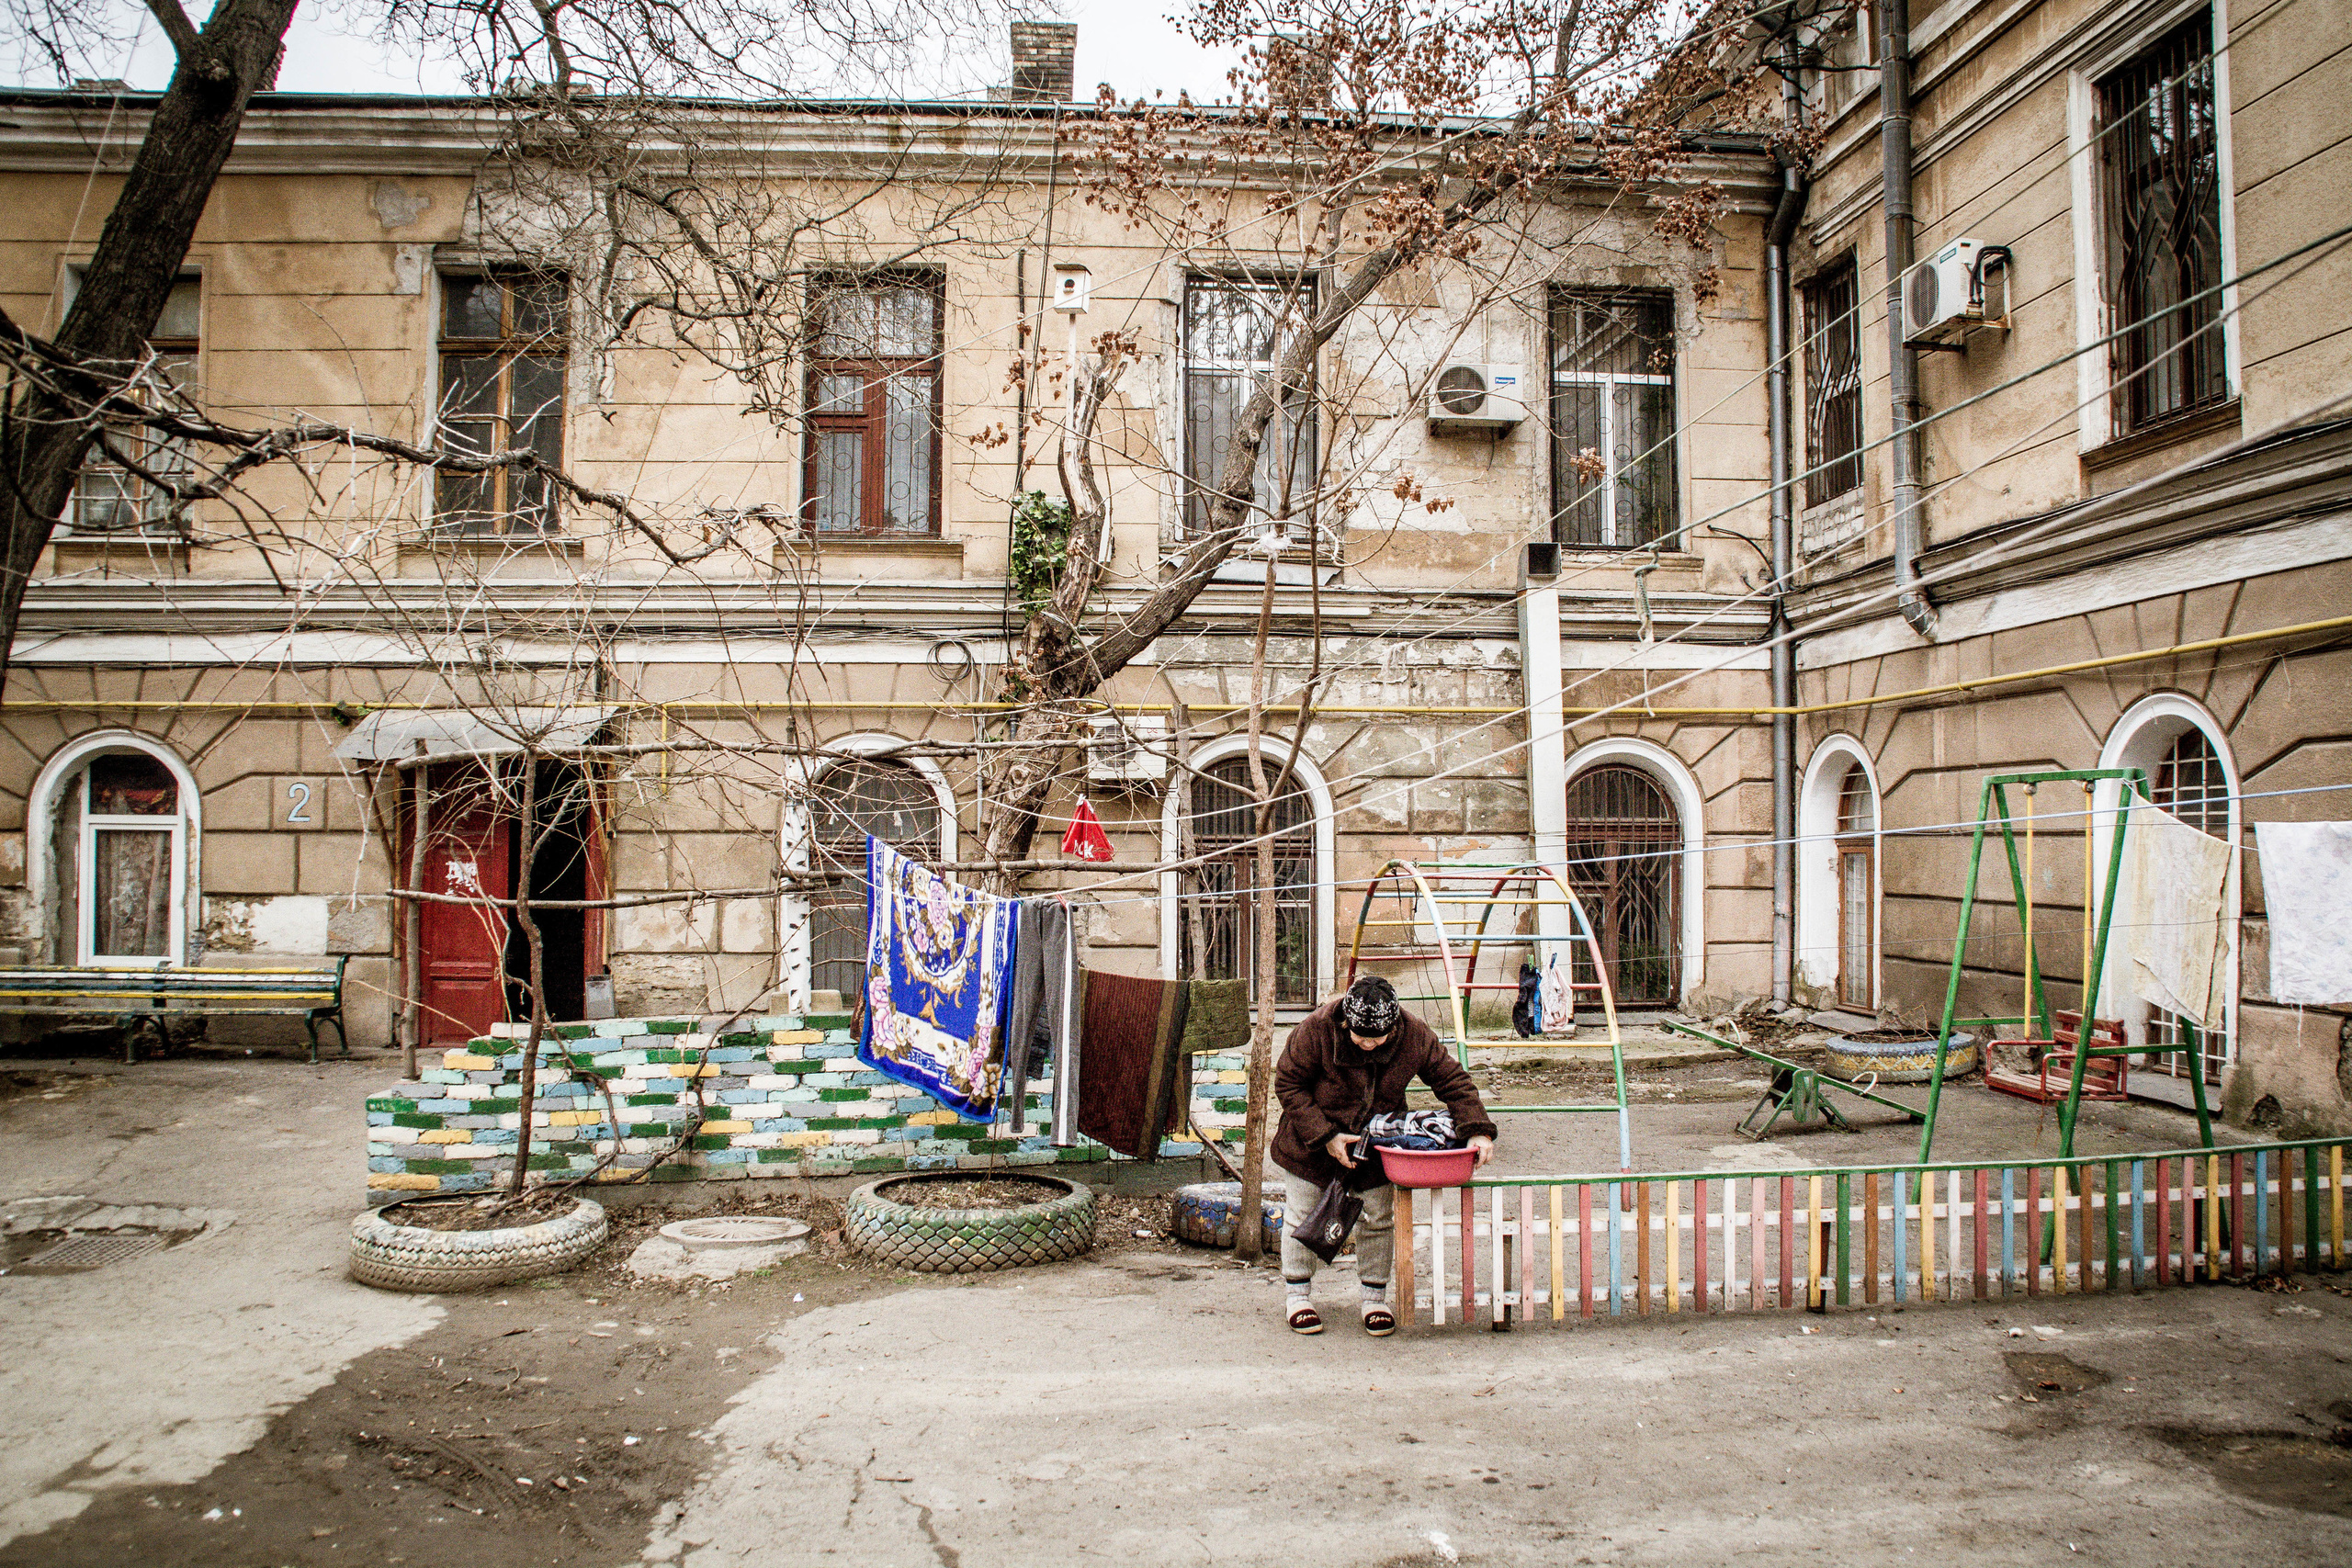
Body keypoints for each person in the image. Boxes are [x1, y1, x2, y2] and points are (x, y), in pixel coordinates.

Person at [1271, 975, 1496, 1336]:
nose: (1370, 1045)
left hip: (1377, 1142)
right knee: (1301, 1215)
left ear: (1394, 1027)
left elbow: (1452, 1080)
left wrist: (1478, 1128)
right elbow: (1288, 1083)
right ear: (1346, 1022)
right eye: (1361, 1037)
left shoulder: (1414, 1033)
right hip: (1310, 1141)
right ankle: (1298, 1297)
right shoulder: (1316, 1029)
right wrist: (1326, 1136)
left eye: (1379, 1038)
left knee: (1377, 1219)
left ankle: (1374, 1299)